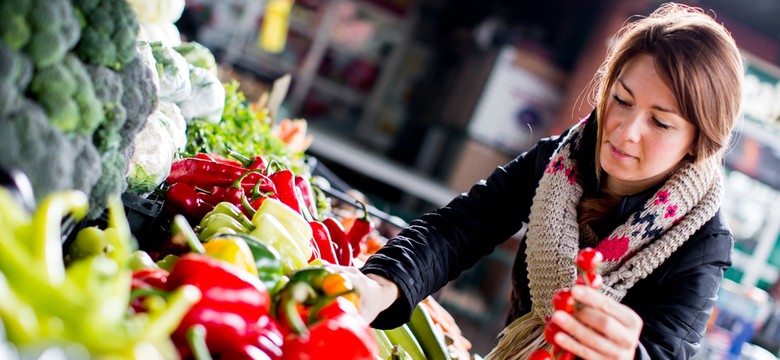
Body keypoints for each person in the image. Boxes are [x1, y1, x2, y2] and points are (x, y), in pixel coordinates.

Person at [337, 3, 744, 359]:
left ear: (697, 143)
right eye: (621, 100)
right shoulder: (559, 161)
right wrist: (380, 285)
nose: (625, 131)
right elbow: (457, 228)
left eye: (660, 122)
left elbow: (667, 351)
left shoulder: (702, 242)